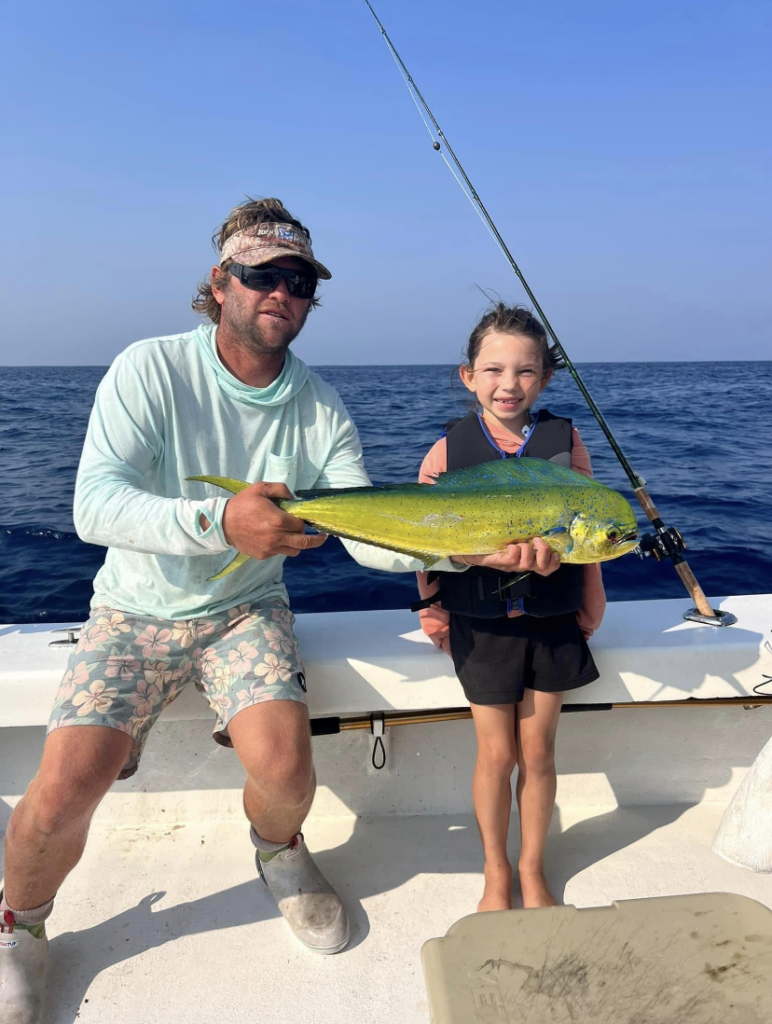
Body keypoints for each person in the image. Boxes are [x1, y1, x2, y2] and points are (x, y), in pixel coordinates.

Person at [0, 198, 537, 1024]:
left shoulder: (321, 408)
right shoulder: (148, 368)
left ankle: (278, 853)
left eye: (298, 280)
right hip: (134, 611)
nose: (279, 291)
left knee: (287, 771)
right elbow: (94, 507)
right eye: (260, 275)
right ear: (221, 284)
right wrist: (222, 521)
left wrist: (463, 552)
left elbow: (367, 529)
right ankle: (20, 925)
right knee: (63, 790)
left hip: (248, 611)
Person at [416, 303, 606, 912]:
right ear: (468, 375)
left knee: (540, 751)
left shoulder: (566, 440)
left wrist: (590, 600)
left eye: (525, 372)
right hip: (480, 623)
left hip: (552, 620)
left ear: (545, 379)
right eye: (493, 369)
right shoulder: (447, 450)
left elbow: (591, 531)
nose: (509, 384)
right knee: (496, 755)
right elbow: (425, 540)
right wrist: (432, 608)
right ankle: (496, 873)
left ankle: (531, 869)